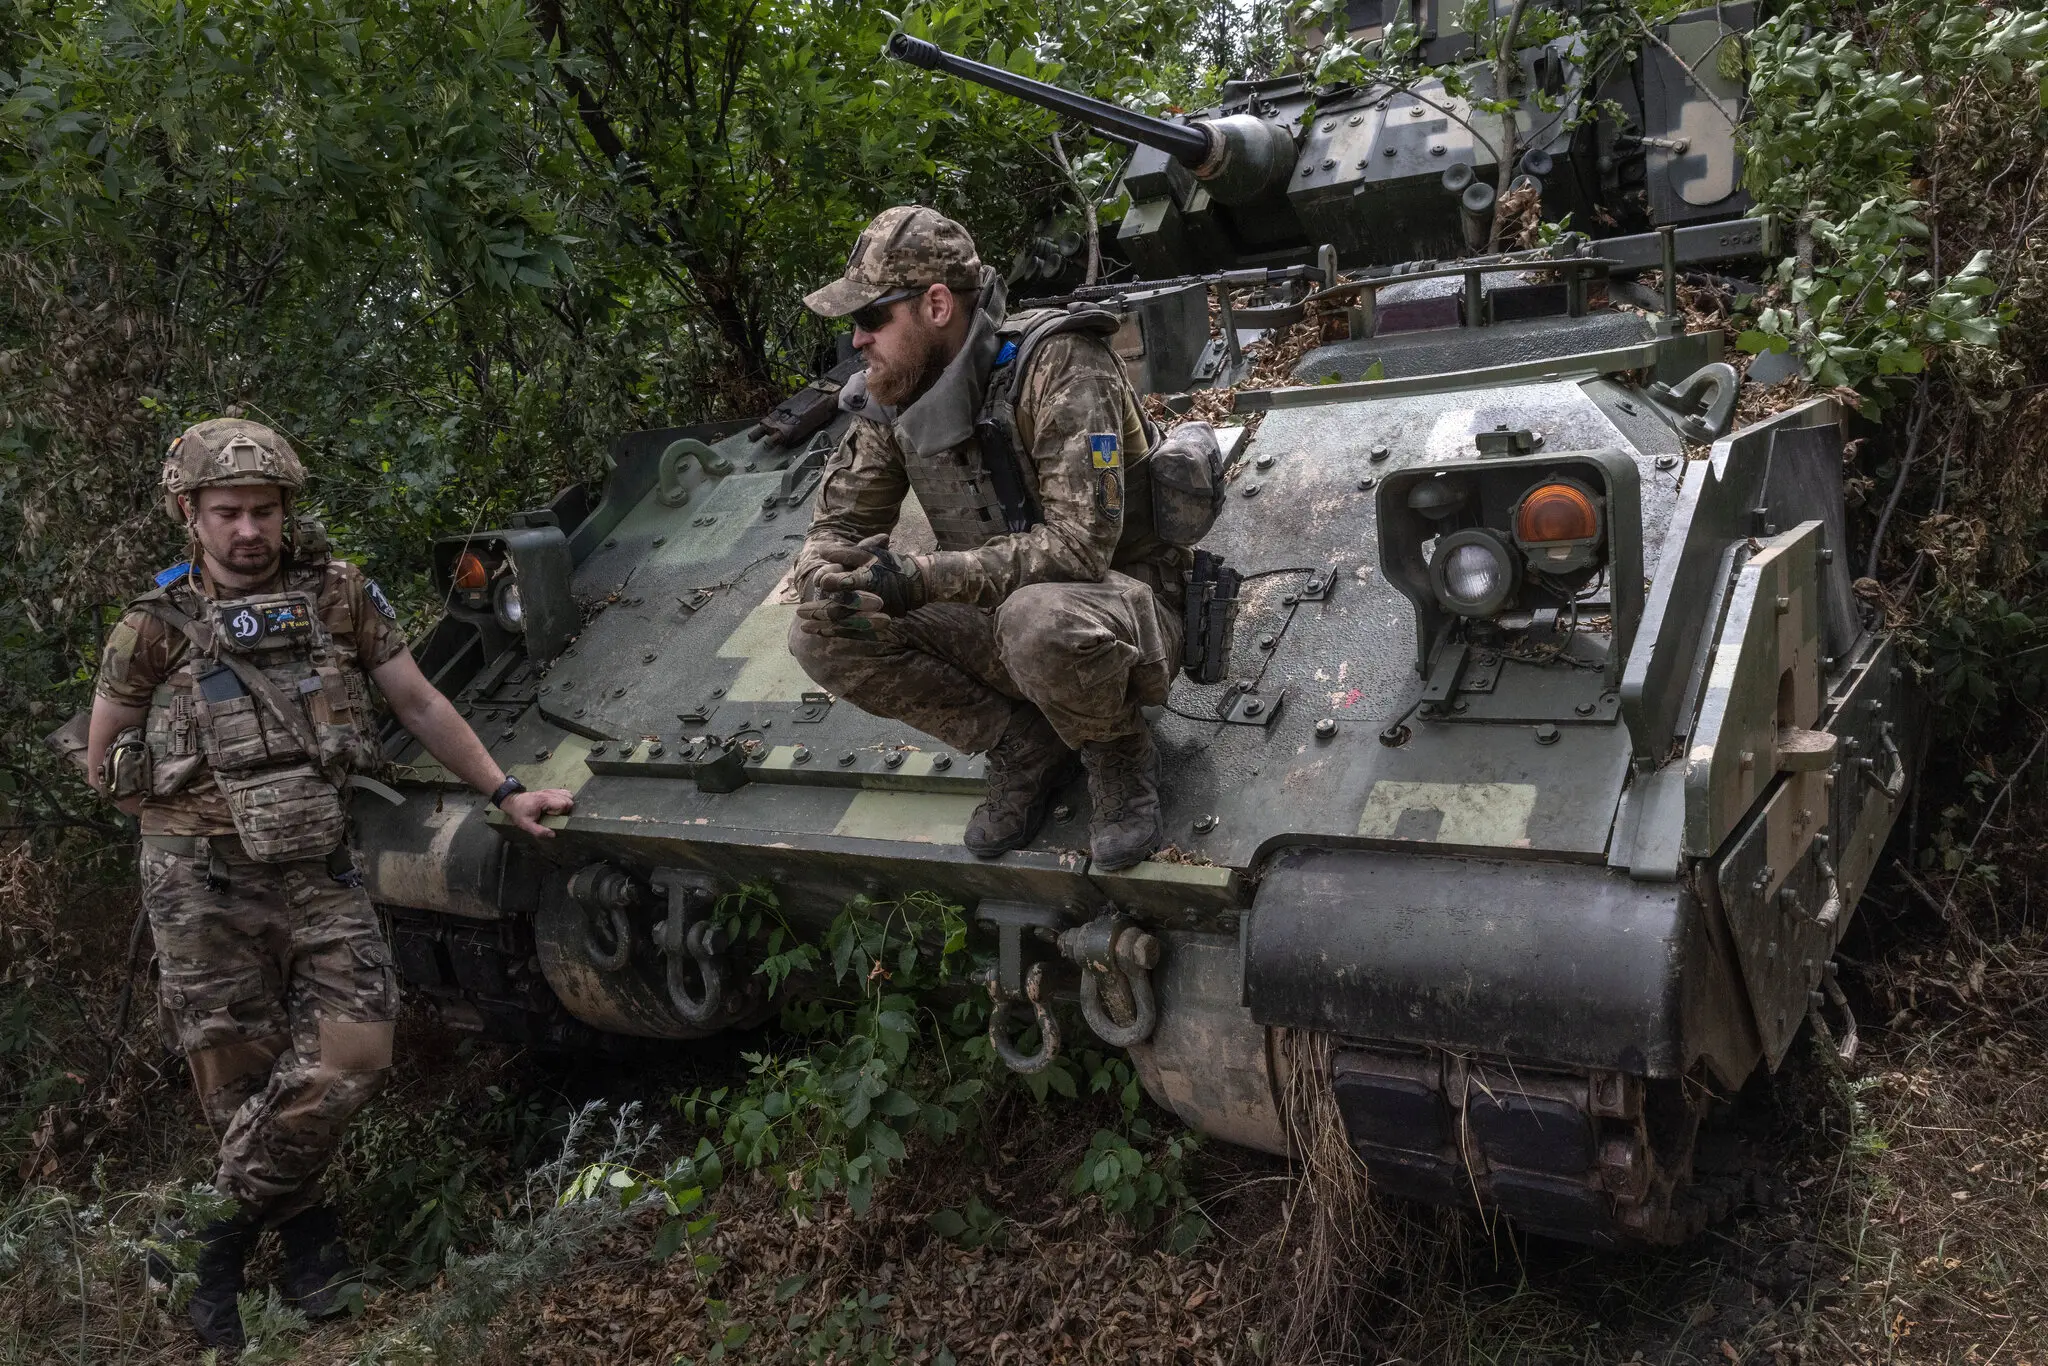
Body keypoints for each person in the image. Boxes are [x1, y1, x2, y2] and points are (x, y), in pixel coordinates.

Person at [83, 418, 574, 1348]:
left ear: (285, 511)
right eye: (227, 512)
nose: (248, 531)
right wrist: (184, 813)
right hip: (200, 877)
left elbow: (419, 700)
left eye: (264, 510)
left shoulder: (341, 594)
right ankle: (306, 1248)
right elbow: (103, 754)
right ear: (190, 514)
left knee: (352, 1052)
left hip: (317, 866)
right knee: (238, 1074)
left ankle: (202, 1238)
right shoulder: (152, 628)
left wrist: (504, 790)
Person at [788, 206, 1189, 870]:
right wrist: (826, 575)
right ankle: (1024, 746)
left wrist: (915, 578)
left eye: (869, 319)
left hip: (1124, 617)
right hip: (998, 617)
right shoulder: (897, 391)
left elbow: (1081, 548)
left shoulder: (1062, 366)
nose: (858, 341)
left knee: (1038, 620)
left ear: (936, 304)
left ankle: (1115, 750)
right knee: (820, 630)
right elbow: (838, 526)